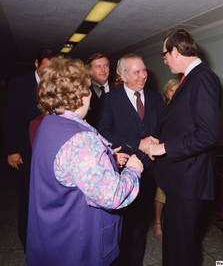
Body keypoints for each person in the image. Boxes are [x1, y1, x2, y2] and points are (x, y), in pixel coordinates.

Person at [25, 57, 144, 266]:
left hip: (54, 233)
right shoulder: (80, 140)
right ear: (80, 94)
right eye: (88, 88)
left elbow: (68, 167)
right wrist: (133, 170)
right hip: (79, 243)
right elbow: (112, 196)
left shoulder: (49, 123)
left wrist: (109, 158)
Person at [148, 29, 221, 266]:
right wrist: (159, 140)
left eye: (165, 54)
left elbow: (208, 134)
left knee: (182, 249)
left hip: (189, 180)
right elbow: (185, 125)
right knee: (174, 242)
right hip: (180, 178)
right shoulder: (191, 77)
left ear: (176, 51)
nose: (165, 59)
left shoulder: (203, 77)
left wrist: (164, 148)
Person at [97, 54, 165, 266]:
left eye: (144, 70)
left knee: (139, 226)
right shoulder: (110, 100)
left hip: (150, 173)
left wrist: (157, 141)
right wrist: (139, 143)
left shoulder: (155, 98)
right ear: (123, 76)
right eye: (137, 72)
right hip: (123, 173)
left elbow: (163, 128)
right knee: (121, 226)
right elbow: (104, 132)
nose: (143, 75)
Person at [3, 49, 55, 251]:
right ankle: (27, 241)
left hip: (50, 151)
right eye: (45, 67)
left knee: (48, 197)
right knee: (28, 196)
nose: (48, 71)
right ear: (36, 64)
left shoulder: (57, 83)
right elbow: (9, 118)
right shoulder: (19, 83)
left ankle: (47, 239)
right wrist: (12, 150)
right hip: (27, 151)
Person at [154, 79, 179, 240]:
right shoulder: (161, 108)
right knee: (160, 191)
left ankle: (172, 224)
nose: (174, 92)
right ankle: (157, 223)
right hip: (162, 152)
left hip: (177, 152)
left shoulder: (185, 107)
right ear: (166, 93)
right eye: (171, 90)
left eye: (177, 89)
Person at [85, 53, 115, 127]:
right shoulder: (84, 93)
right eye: (98, 66)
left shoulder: (119, 92)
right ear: (89, 71)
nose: (103, 70)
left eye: (105, 65)